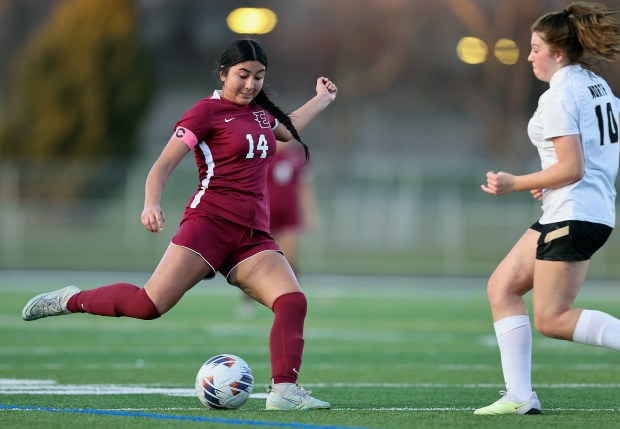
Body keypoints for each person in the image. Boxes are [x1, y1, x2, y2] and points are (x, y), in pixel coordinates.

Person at [21, 39, 337, 411]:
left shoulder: (259, 113)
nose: (250, 84)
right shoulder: (204, 112)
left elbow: (287, 129)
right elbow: (163, 165)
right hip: (208, 225)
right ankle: (70, 299)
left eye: (258, 76)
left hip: (251, 237)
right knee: (147, 305)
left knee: (292, 301)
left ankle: (284, 391)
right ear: (223, 73)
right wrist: (150, 202)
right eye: (242, 75)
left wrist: (322, 99)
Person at [475, 2, 620, 416]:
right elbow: (592, 157)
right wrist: (550, 182)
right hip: (573, 209)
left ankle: (520, 396)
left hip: (575, 212)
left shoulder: (561, 93)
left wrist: (515, 183)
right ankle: (519, 396)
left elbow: (572, 168)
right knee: (502, 287)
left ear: (559, 52)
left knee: (553, 320)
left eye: (536, 47)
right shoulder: (597, 86)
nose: (530, 55)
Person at [238, 140, 318, 318]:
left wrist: (310, 213)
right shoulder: (262, 153)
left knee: (289, 261)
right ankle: (246, 302)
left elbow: (304, 186)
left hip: (289, 216)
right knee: (256, 260)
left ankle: (292, 303)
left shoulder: (299, 155)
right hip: (263, 215)